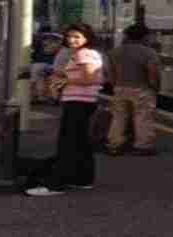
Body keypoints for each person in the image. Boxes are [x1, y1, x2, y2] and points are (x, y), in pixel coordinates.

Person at [26, 22, 103, 196]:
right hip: (84, 101)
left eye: (77, 37)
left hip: (78, 101)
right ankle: (83, 179)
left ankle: (56, 185)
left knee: (68, 144)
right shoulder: (87, 53)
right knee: (81, 143)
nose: (72, 40)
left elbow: (90, 78)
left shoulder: (83, 54)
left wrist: (65, 81)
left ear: (87, 38)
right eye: (69, 36)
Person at [106, 23, 161, 156]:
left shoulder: (115, 52)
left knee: (119, 117)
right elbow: (152, 74)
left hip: (120, 88)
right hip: (142, 89)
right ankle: (143, 146)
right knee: (143, 117)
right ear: (145, 37)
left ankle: (114, 144)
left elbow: (111, 74)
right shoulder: (149, 53)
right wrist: (156, 87)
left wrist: (115, 85)